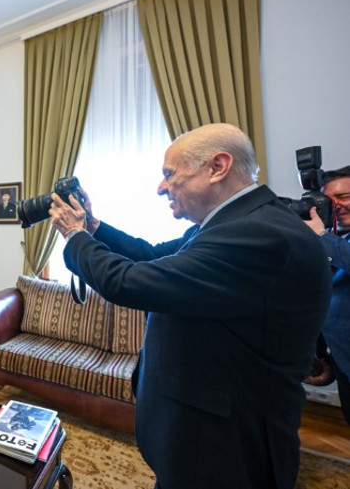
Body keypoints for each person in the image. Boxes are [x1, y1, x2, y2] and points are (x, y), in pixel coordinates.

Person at [49, 123, 332, 489]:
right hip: (198, 431)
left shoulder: (259, 235)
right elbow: (148, 256)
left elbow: (129, 282)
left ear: (218, 167)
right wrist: (93, 225)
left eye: (169, 174)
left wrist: (75, 236)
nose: (160, 187)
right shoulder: (226, 225)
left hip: (225, 445)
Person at [304, 165, 350, 424]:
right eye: (329, 201)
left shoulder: (330, 241)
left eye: (343, 196)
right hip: (343, 359)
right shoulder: (335, 240)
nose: (336, 206)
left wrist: (321, 236)